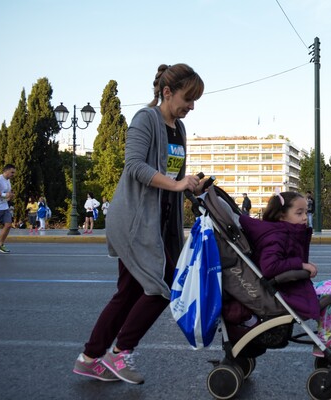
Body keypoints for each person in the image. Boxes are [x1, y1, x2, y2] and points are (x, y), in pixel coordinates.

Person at [72, 63, 205, 385]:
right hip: (134, 220)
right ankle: (120, 352)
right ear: (167, 92)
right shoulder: (146, 119)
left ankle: (90, 358)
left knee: (128, 293)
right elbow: (135, 167)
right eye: (188, 98)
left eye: (195, 101)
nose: (191, 106)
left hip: (158, 222)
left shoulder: (179, 130)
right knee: (163, 287)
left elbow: (170, 174)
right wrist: (175, 185)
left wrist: (189, 185)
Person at [239, 191, 331, 359]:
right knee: (330, 288)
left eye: (305, 212)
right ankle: (324, 339)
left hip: (289, 286)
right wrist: (301, 265)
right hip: (283, 292)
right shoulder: (276, 236)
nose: (305, 217)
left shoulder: (285, 232)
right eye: (299, 213)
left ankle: (330, 333)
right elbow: (269, 267)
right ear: (282, 216)